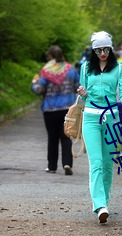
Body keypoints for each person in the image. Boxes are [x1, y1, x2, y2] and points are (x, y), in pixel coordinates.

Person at [77, 31, 122, 223]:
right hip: (90, 118)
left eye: (106, 49)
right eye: (98, 50)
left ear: (111, 48)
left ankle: (105, 201)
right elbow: (83, 97)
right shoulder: (85, 68)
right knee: (96, 162)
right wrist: (82, 92)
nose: (102, 53)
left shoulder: (119, 68)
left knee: (108, 164)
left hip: (112, 119)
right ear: (93, 50)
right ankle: (99, 205)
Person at [31, 45, 80, 175]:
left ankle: (52, 166)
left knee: (52, 138)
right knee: (66, 137)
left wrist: (34, 83)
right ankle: (67, 163)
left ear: (50, 57)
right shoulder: (71, 70)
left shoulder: (46, 71)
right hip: (67, 109)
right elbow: (78, 87)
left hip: (50, 109)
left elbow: (39, 90)